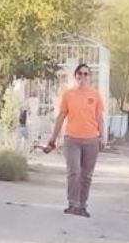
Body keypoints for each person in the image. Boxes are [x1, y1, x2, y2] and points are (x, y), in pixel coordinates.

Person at [44, 63, 106, 217]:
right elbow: (61, 116)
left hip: (91, 139)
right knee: (74, 172)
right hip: (72, 139)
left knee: (86, 175)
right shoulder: (68, 95)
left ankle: (82, 205)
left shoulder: (95, 95)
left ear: (89, 77)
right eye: (80, 73)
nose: (82, 77)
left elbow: (100, 117)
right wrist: (53, 138)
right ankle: (73, 203)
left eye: (86, 74)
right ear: (75, 76)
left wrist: (103, 136)